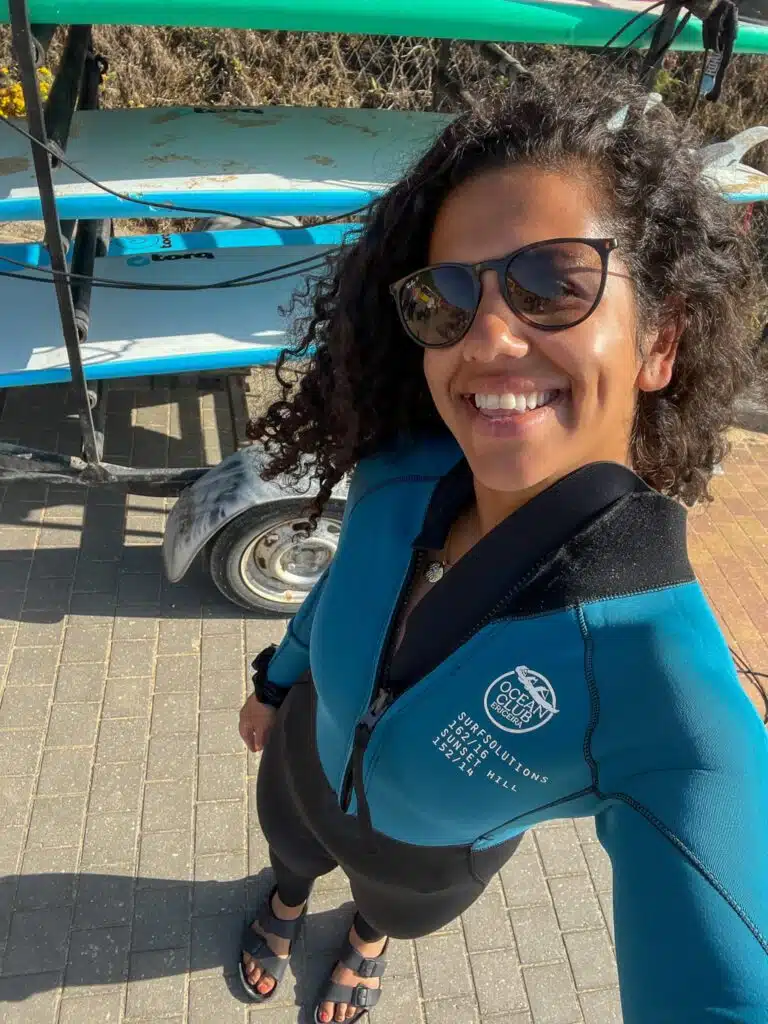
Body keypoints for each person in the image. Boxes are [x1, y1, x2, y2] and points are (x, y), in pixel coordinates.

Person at [236, 55, 768, 1024]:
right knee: (289, 852)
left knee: (385, 909)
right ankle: (281, 901)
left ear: (661, 340)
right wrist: (278, 681)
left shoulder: (668, 688)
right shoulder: (401, 465)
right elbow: (344, 584)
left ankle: (363, 940)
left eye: (553, 283)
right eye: (449, 297)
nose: (485, 340)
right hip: (303, 760)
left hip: (427, 861)